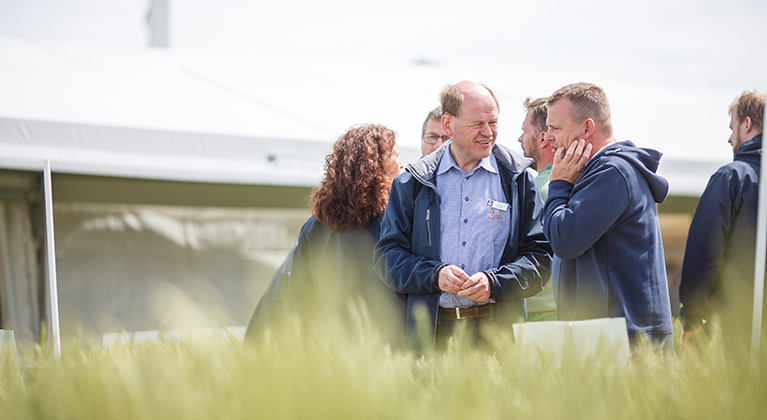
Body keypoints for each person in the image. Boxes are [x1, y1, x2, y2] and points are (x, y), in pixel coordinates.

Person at [375, 80, 552, 350]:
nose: (488, 133)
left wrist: (495, 283)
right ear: (448, 125)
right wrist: (435, 276)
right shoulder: (412, 182)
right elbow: (387, 258)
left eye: (493, 123)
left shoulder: (518, 179)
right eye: (477, 124)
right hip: (433, 337)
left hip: (499, 337)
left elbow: (540, 258)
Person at [245, 124, 406, 347]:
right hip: (387, 353)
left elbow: (295, 294)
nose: (402, 164)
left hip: (330, 353)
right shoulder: (397, 223)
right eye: (396, 156)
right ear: (378, 166)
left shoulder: (315, 227)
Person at [542, 82, 674, 352]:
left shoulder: (613, 173)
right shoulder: (604, 171)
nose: (548, 138)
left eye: (556, 128)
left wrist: (558, 184)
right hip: (612, 335)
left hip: (625, 341)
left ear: (587, 128)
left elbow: (564, 240)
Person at [679, 90, 765, 347]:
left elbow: (705, 250)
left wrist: (692, 317)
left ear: (747, 124)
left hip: (729, 331)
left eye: (732, 127)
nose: (730, 138)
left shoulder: (732, 177)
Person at [518, 96, 557, 322]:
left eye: (524, 131)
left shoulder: (539, 190)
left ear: (543, 138)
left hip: (540, 312)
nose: (520, 138)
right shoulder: (572, 183)